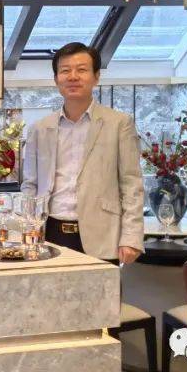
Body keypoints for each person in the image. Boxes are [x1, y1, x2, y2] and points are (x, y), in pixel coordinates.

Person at [21, 42, 145, 265]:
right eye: (65, 70)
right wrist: (29, 229)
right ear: (56, 79)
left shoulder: (119, 124)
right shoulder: (40, 129)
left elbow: (131, 184)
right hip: (49, 234)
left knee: (101, 290)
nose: (73, 77)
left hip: (103, 235)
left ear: (96, 77)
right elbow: (30, 185)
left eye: (81, 70)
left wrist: (131, 237)